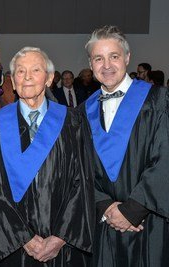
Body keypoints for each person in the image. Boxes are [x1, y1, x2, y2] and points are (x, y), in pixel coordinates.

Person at [0, 47, 94, 266]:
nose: (27, 77)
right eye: (20, 71)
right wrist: (23, 238)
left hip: (62, 247)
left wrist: (60, 237)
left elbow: (83, 182)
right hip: (11, 245)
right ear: (12, 81)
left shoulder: (72, 123)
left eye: (36, 70)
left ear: (49, 78)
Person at [81, 25, 169, 266]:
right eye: (98, 58)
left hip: (149, 223)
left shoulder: (159, 100)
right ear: (90, 63)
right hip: (104, 224)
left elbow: (165, 160)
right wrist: (105, 206)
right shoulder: (82, 113)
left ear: (128, 58)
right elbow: (77, 168)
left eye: (114, 56)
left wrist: (132, 211)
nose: (106, 65)